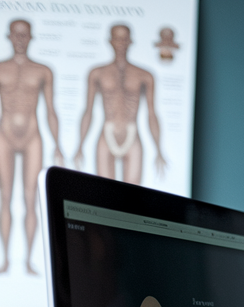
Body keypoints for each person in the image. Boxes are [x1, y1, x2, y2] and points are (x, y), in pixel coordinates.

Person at [0, 19, 61, 275]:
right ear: (9, 36)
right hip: (4, 135)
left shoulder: (42, 70)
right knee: (4, 197)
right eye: (17, 34)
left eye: (25, 35)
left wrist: (58, 143)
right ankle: (5, 259)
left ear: (31, 37)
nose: (21, 39)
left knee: (29, 197)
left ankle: (27, 260)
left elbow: (50, 109)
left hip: (33, 136)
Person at [74, 24, 165, 185]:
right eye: (117, 38)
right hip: (106, 135)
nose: (121, 43)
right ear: (111, 41)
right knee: (104, 197)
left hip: (132, 135)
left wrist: (158, 149)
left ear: (130, 41)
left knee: (132, 200)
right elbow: (88, 111)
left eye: (124, 39)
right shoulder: (97, 73)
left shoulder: (144, 76)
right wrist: (80, 144)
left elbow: (152, 113)